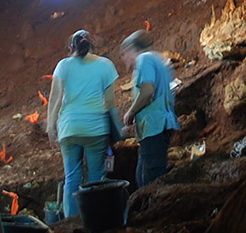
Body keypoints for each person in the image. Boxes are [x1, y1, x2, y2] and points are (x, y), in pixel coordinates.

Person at [46, 30, 118, 221]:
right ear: (92, 45)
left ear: (71, 47)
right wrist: (116, 129)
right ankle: (96, 220)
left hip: (69, 128)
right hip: (96, 128)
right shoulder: (105, 65)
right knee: (96, 176)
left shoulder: (63, 65)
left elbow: (55, 98)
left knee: (72, 178)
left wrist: (50, 126)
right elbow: (110, 103)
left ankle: (71, 222)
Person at [121, 30, 180, 187]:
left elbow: (148, 90)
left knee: (151, 182)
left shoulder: (144, 59)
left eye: (124, 53)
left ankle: (155, 210)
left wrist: (131, 112)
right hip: (157, 126)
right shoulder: (157, 58)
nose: (124, 58)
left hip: (155, 127)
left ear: (131, 49)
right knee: (142, 176)